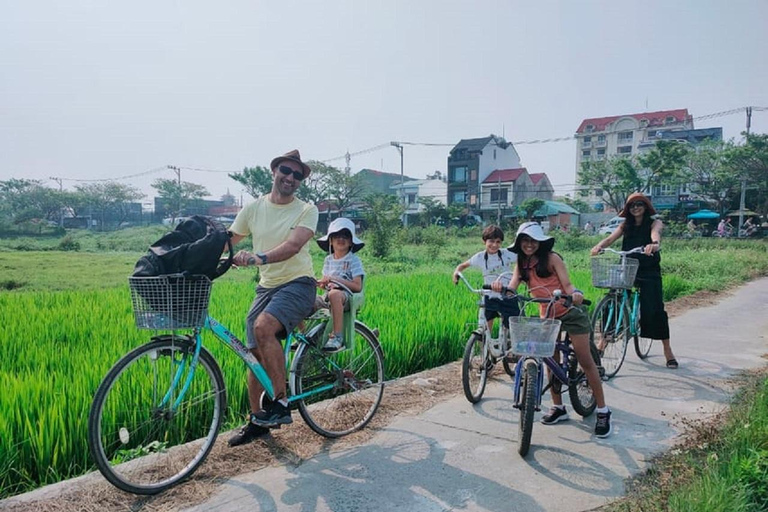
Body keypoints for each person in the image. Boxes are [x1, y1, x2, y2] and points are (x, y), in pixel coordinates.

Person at [226, 149, 319, 447]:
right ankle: (257, 420)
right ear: (274, 171)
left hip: (299, 283)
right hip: (266, 288)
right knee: (253, 357)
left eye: (296, 175)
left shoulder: (307, 210)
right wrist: (200, 255)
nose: (290, 178)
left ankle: (280, 402)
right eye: (285, 171)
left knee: (264, 327)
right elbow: (229, 239)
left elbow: (293, 246)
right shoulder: (253, 209)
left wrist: (256, 258)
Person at [506, 222, 613, 437]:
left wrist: (575, 294)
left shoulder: (553, 259)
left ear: (540, 242)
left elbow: (568, 284)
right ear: (519, 243)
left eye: (533, 240)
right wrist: (503, 290)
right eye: (525, 241)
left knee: (585, 360)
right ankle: (558, 407)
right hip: (548, 316)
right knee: (550, 359)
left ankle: (602, 410)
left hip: (570, 313)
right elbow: (513, 285)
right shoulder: (521, 263)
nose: (529, 245)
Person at [590, 193, 677, 369]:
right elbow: (610, 239)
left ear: (646, 207)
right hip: (627, 267)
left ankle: (667, 350)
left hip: (648, 269)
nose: (635, 208)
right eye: (632, 205)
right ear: (628, 209)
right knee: (612, 302)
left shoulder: (655, 222)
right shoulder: (625, 225)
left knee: (654, 309)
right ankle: (602, 343)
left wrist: (653, 244)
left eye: (639, 204)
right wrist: (599, 246)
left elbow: (656, 234)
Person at [452, 225, 519, 343]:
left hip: (507, 294)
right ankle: (486, 354)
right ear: (484, 241)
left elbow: (521, 261)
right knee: (484, 328)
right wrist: (456, 273)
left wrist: (518, 276)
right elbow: (462, 266)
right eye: (491, 241)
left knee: (513, 327)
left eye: (498, 242)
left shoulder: (507, 254)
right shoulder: (480, 257)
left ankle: (512, 347)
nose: (494, 245)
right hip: (489, 294)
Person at [315, 217, 366, 351]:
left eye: (345, 236)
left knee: (335, 294)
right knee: (304, 298)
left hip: (346, 298)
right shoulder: (328, 260)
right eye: (336, 235)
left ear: (351, 242)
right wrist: (320, 283)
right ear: (330, 241)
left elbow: (357, 286)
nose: (340, 239)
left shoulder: (353, 260)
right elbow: (326, 283)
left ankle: (337, 336)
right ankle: (306, 336)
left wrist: (335, 280)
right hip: (329, 296)